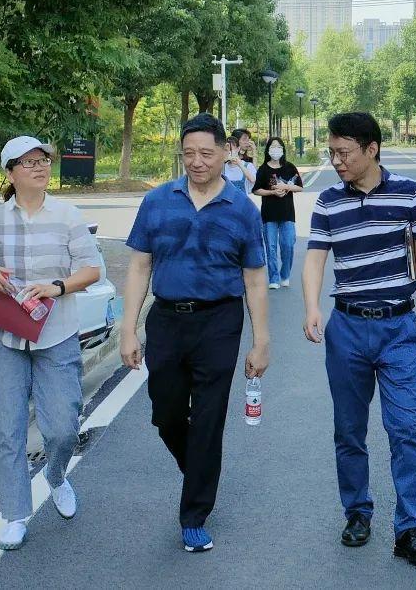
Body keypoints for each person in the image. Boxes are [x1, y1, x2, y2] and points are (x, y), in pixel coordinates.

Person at [302, 112, 416, 566]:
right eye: (332, 152)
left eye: (344, 153)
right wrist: (312, 307)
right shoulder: (328, 201)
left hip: (398, 328)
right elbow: (315, 258)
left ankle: (410, 529)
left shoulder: (408, 192)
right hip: (347, 329)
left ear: (372, 149)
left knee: (406, 428)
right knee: (349, 430)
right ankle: (357, 512)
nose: (337, 161)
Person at [120, 113, 270, 553]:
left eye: (206, 153)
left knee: (208, 418)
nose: (197, 161)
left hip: (219, 321)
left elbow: (255, 278)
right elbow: (139, 266)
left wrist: (261, 341)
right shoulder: (157, 201)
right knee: (166, 414)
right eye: (189, 153)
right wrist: (127, 330)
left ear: (225, 152)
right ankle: (200, 470)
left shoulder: (242, 209)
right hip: (166, 320)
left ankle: (194, 515)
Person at [0, 136, 101, 551]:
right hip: (2, 338)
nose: (39, 168)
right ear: (10, 173)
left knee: (63, 427)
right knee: (7, 430)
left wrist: (58, 286)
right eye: (28, 162)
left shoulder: (68, 216)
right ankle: (15, 515)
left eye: (43, 161)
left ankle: (55, 474)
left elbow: (92, 269)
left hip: (57, 335)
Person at [252, 137, 303, 290]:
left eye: (279, 147)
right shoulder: (263, 169)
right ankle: (273, 278)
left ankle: (285, 275)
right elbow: (256, 190)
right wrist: (272, 192)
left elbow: (300, 187)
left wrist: (286, 187)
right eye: (273, 147)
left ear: (283, 149)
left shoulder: (290, 167)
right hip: (269, 214)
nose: (276, 150)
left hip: (287, 214)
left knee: (288, 244)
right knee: (271, 247)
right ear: (268, 150)